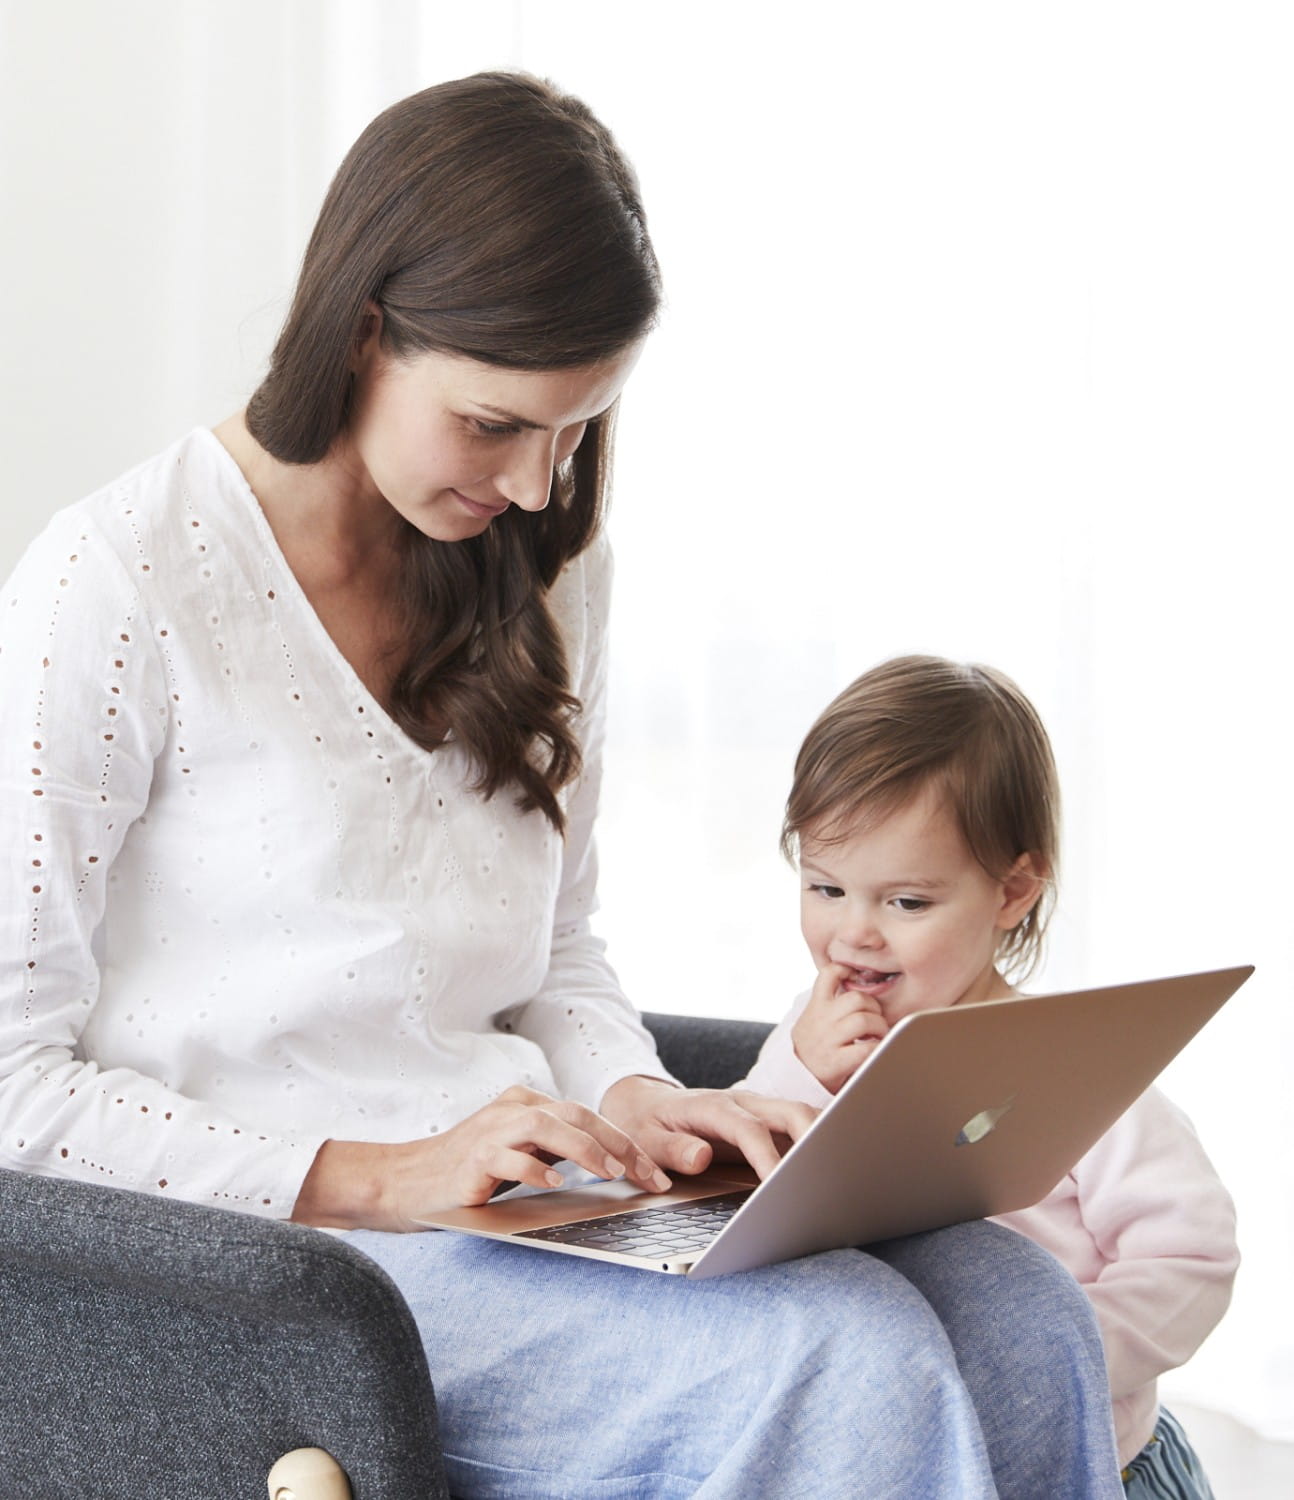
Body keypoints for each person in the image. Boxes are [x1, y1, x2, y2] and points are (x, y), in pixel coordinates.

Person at [0, 73, 1125, 1498]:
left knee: (1021, 1314)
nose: (537, 487)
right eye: (493, 425)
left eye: (579, 429)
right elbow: (12, 1086)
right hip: (292, 1258)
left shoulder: (546, 562)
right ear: (363, 333)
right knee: (841, 1354)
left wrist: (635, 1091)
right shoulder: (116, 586)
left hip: (530, 1198)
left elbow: (558, 949)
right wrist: (385, 1172)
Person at [740, 654, 1238, 1499]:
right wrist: (803, 1073)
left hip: (1094, 1466)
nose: (854, 934)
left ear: (1012, 891)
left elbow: (1193, 1257)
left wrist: (1051, 1360)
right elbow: (749, 1198)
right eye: (825, 888)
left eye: (906, 903)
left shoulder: (1071, 1062)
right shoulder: (810, 1031)